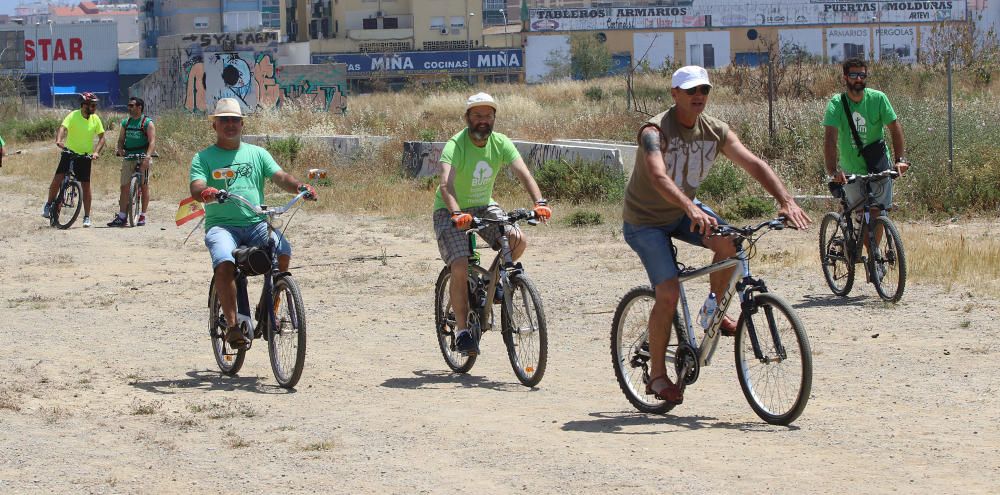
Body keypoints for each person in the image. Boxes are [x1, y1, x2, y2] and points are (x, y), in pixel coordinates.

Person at [622, 66, 811, 404]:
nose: (699, 97)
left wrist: (786, 201)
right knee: (668, 293)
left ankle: (713, 309)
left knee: (731, 244)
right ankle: (657, 376)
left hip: (682, 209)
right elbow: (657, 175)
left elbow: (753, 163)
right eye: (691, 90)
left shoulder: (715, 130)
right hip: (645, 220)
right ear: (674, 94)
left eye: (704, 91)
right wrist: (691, 208)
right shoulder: (654, 130)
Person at [188, 98, 317, 347]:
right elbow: (197, 186)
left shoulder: (257, 154)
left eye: (234, 120)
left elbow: (280, 177)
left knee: (282, 251)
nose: (229, 124)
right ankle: (234, 326)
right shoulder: (203, 157)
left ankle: (267, 308)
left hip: (256, 221)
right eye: (223, 120)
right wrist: (207, 193)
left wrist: (299, 187)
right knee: (224, 263)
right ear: (214, 125)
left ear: (242, 124)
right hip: (222, 226)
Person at [433, 92, 552, 357]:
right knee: (460, 264)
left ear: (494, 118)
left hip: (483, 205)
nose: (483, 121)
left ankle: (490, 285)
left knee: (517, 238)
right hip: (450, 210)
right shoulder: (456, 144)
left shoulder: (500, 143)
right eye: (477, 115)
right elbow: (445, 183)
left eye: (488, 115)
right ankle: (463, 331)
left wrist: (539, 202)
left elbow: (524, 173)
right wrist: (456, 213)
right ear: (467, 118)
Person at [823, 57, 908, 258]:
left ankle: (874, 258)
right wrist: (833, 171)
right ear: (845, 77)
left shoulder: (878, 99)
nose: (859, 79)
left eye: (862, 74)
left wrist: (900, 159)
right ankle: (850, 246)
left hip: (878, 165)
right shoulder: (837, 103)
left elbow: (895, 129)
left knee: (878, 212)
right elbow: (830, 140)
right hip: (851, 168)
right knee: (861, 213)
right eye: (854, 75)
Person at [44, 92, 106, 227]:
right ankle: (49, 204)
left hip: (85, 156)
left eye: (95, 105)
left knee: (86, 186)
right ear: (84, 105)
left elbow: (102, 138)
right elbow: (62, 127)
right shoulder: (73, 115)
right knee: (57, 179)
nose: (95, 108)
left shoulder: (95, 119)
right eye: (92, 105)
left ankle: (87, 216)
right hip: (69, 153)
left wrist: (96, 152)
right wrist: (59, 140)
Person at [108, 97, 156, 227]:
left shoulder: (147, 123)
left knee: (144, 186)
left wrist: (147, 157)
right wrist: (119, 149)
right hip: (129, 157)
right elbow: (121, 139)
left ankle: (142, 216)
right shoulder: (126, 122)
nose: (129, 108)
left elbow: (152, 142)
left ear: (139, 107)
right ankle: (122, 216)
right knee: (124, 187)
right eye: (128, 105)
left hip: (142, 157)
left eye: (131, 106)